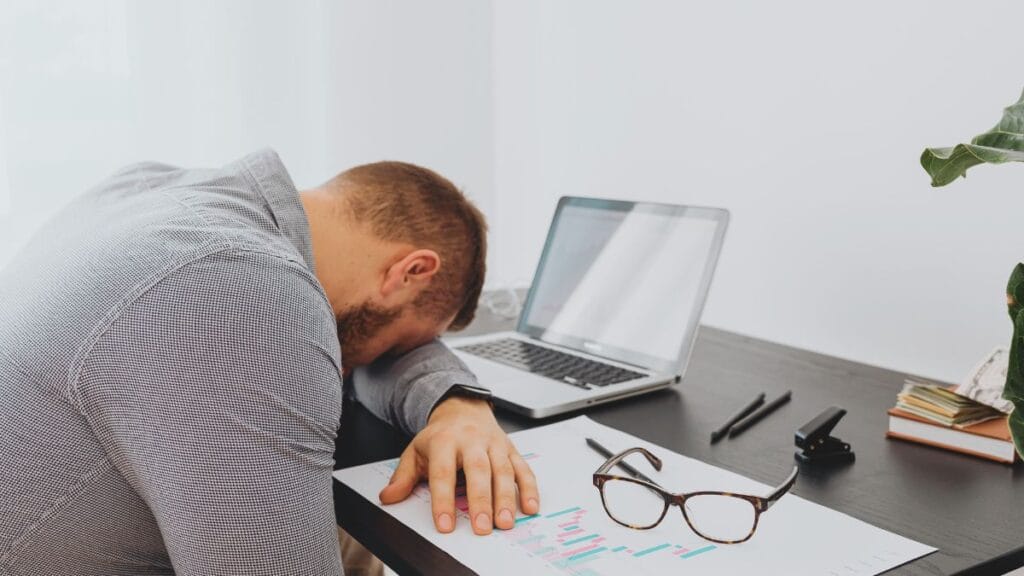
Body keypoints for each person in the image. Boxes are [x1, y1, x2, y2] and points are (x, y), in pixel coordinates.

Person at [0, 149, 539, 575]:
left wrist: (456, 404)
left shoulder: (153, 190)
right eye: (401, 344)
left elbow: (362, 343)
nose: (374, 362)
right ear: (410, 271)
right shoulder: (244, 289)